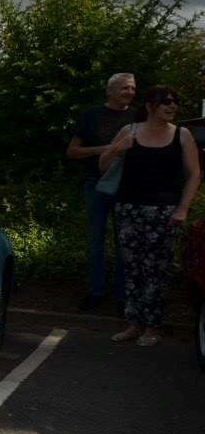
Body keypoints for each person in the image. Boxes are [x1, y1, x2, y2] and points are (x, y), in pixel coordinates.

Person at [99, 85, 201, 346]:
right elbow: (103, 166)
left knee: (156, 270)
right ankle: (134, 324)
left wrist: (182, 209)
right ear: (149, 106)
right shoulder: (130, 131)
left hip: (165, 211)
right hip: (128, 208)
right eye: (166, 101)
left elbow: (195, 175)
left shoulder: (182, 135)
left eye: (175, 101)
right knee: (132, 268)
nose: (172, 106)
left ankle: (152, 327)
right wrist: (117, 148)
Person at [67, 73, 137, 311]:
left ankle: (122, 297)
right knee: (96, 242)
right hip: (96, 184)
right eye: (125, 88)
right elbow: (73, 151)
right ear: (110, 90)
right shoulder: (91, 115)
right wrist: (107, 149)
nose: (130, 92)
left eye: (133, 88)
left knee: (123, 243)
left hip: (127, 186)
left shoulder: (138, 117)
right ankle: (95, 293)